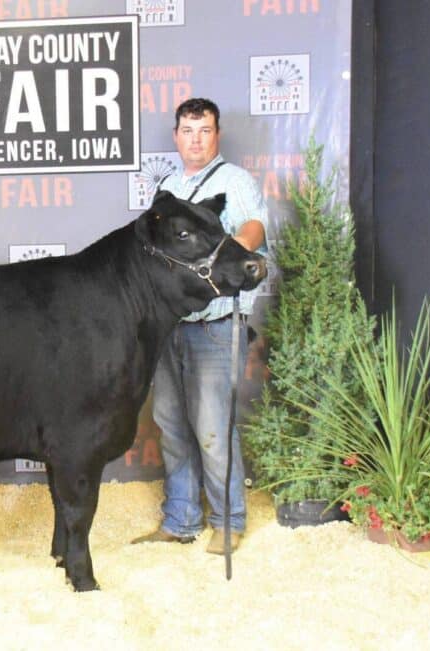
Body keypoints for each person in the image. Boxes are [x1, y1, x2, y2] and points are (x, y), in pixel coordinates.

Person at [132, 98, 267, 554]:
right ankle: (181, 519)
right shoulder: (168, 186)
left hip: (213, 324)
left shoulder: (233, 180)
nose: (195, 139)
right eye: (188, 131)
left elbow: (254, 227)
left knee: (212, 428)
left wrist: (227, 250)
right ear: (176, 136)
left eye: (204, 131)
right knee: (171, 424)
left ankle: (228, 523)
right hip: (170, 324)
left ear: (217, 135)